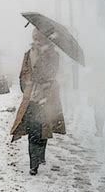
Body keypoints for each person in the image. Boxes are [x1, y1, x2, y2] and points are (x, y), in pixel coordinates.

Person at [10, 29, 66, 176]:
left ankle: (39, 156)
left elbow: (53, 72)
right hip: (33, 97)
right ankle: (34, 164)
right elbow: (23, 73)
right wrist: (28, 84)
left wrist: (42, 78)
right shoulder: (29, 54)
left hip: (47, 97)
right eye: (35, 37)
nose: (37, 39)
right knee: (34, 130)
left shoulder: (53, 55)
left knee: (43, 129)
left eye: (39, 37)